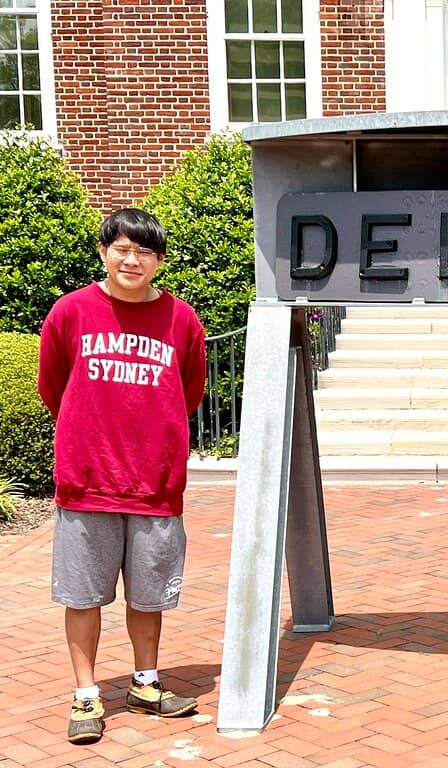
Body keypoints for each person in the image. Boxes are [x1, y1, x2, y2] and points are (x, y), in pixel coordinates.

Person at [37, 208, 207, 744]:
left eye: (145, 252)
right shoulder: (71, 312)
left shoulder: (183, 321)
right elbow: (53, 387)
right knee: (83, 595)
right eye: (122, 249)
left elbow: (191, 391)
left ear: (158, 260)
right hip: (87, 482)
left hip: (155, 484)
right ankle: (86, 693)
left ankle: (146, 682)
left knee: (149, 595)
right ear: (104, 253)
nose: (132, 260)